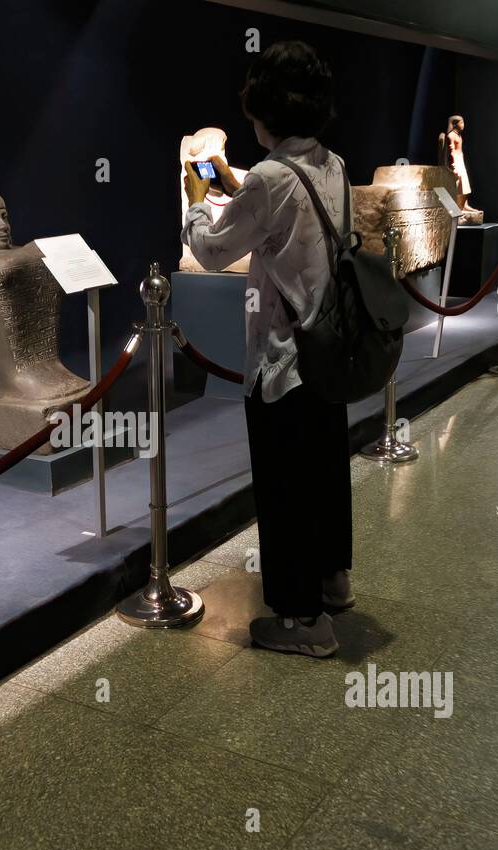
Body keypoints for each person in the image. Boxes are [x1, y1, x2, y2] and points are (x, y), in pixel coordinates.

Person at [181, 40, 354, 659]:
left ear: (265, 111)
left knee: (285, 486)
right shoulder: (330, 165)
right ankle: (332, 583)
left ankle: (303, 621)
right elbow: (273, 203)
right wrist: (226, 177)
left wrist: (197, 201)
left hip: (283, 359)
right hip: (329, 351)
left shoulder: (272, 178)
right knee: (326, 473)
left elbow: (213, 250)